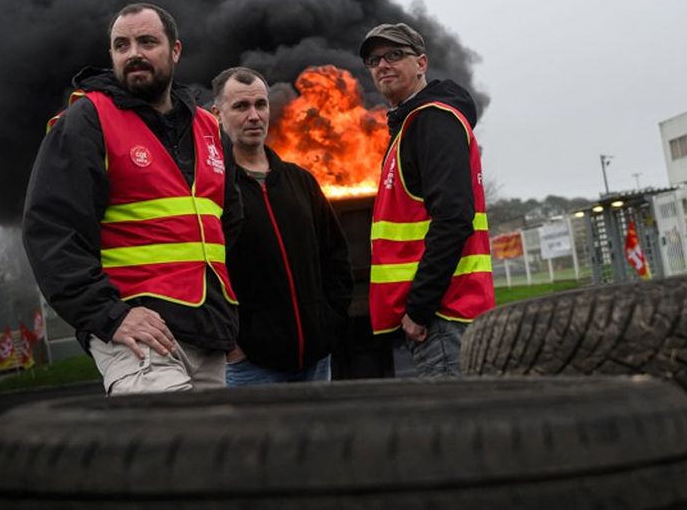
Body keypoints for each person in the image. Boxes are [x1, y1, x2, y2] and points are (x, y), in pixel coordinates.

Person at [22, 3, 241, 395]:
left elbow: (229, 227)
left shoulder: (210, 130)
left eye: (147, 41)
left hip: (208, 336)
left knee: (213, 454)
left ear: (175, 50)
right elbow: (51, 233)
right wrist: (109, 316)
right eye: (121, 45)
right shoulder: (87, 121)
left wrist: (228, 317)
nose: (133, 53)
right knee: (170, 450)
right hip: (134, 336)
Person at [360, 22, 495, 377]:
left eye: (394, 55)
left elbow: (453, 218)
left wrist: (419, 308)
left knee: (450, 429)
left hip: (442, 318)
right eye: (374, 60)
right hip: (439, 317)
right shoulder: (411, 124)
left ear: (421, 63)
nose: (382, 65)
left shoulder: (432, 120)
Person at [210, 66, 354, 385]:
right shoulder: (211, 189)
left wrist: (329, 323)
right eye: (241, 106)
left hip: (317, 360)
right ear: (217, 114)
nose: (254, 116)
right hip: (250, 368)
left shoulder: (300, 181)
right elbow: (204, 274)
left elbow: (335, 257)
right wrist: (233, 347)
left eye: (261, 104)